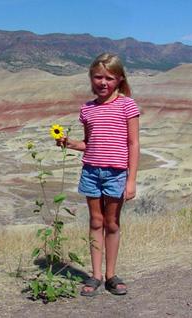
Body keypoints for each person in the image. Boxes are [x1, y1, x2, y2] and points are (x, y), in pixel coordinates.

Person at [56, 53, 140, 296]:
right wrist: (70, 143)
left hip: (116, 174)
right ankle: (95, 275)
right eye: (98, 77)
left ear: (120, 79)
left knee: (112, 223)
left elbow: (133, 144)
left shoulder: (127, 105)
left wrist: (131, 180)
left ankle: (112, 275)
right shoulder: (87, 110)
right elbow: (89, 143)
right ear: (91, 79)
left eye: (109, 78)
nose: (103, 82)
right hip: (91, 171)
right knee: (95, 221)